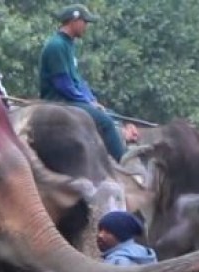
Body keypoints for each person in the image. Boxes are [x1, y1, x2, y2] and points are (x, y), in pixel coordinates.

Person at [38, 4, 136, 161]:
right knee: (106, 122)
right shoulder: (56, 45)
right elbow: (63, 84)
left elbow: (77, 80)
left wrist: (92, 100)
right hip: (59, 101)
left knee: (111, 115)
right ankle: (123, 162)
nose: (86, 26)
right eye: (85, 22)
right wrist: (86, 102)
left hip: (71, 99)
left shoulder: (68, 45)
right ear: (74, 21)